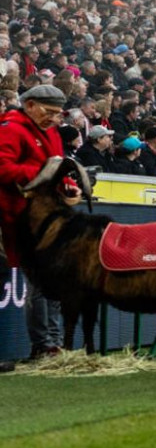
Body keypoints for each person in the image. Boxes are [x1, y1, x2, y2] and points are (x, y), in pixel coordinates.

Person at [0, 84, 68, 360]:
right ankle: (44, 344)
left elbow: (57, 170)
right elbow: (3, 168)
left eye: (58, 114)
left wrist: (68, 184)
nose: (53, 118)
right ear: (29, 105)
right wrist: (43, 173)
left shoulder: (51, 132)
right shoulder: (10, 128)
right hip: (11, 216)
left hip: (40, 217)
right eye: (49, 111)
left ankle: (51, 343)